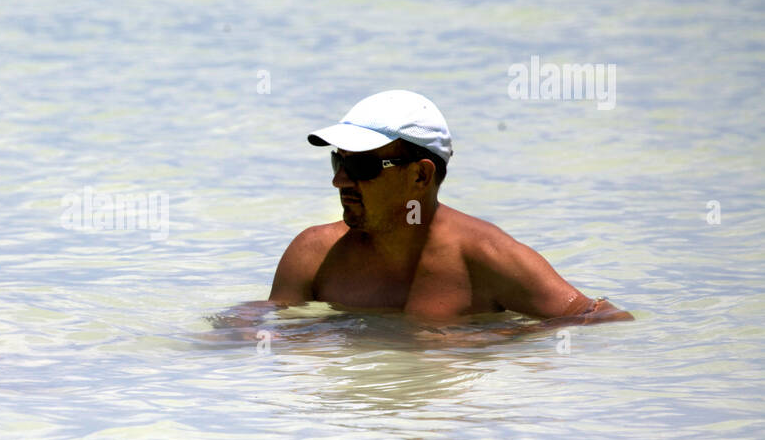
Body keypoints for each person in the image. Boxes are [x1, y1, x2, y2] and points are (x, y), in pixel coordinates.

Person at [269, 90, 633, 324]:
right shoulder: (315, 255)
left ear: (420, 178)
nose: (340, 181)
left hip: (442, 421)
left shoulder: (486, 257)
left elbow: (603, 319)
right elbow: (271, 327)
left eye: (362, 167)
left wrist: (508, 344)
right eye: (338, 162)